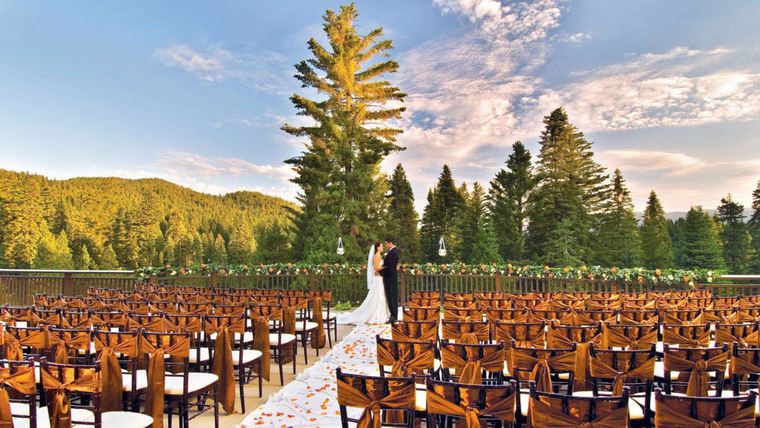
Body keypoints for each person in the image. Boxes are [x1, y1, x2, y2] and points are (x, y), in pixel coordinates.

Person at [336, 242, 390, 325]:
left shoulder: (380, 256)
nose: (383, 247)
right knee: (377, 297)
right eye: (381, 246)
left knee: (381, 297)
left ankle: (381, 314)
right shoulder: (376, 256)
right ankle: (375, 315)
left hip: (380, 279)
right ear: (378, 248)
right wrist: (385, 267)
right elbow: (376, 268)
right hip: (378, 279)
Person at [378, 237, 399, 323]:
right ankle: (393, 315)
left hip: (390, 277)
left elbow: (390, 267)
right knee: (390, 296)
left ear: (391, 243)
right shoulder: (392, 252)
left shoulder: (393, 252)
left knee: (392, 296)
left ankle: (394, 316)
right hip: (389, 277)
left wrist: (380, 272)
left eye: (386, 243)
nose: (386, 245)